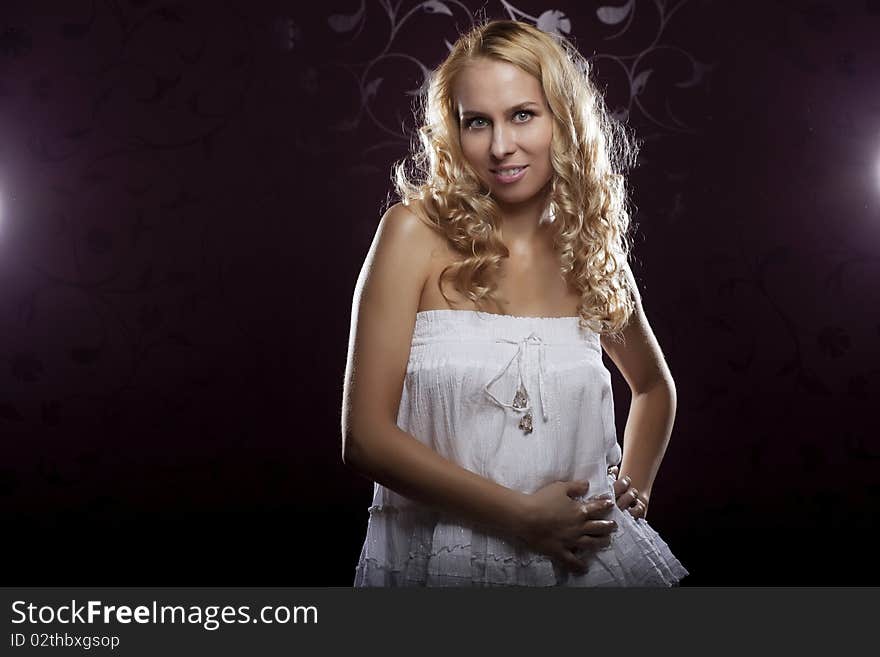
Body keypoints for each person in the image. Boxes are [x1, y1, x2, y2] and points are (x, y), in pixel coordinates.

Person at [341, 18, 688, 586]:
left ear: (563, 120)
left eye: (522, 115)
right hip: (443, 567)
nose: (501, 146)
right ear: (454, 133)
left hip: (585, 567)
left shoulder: (590, 252)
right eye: (478, 122)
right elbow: (365, 439)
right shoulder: (410, 234)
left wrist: (637, 484)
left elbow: (653, 386)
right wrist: (523, 517)